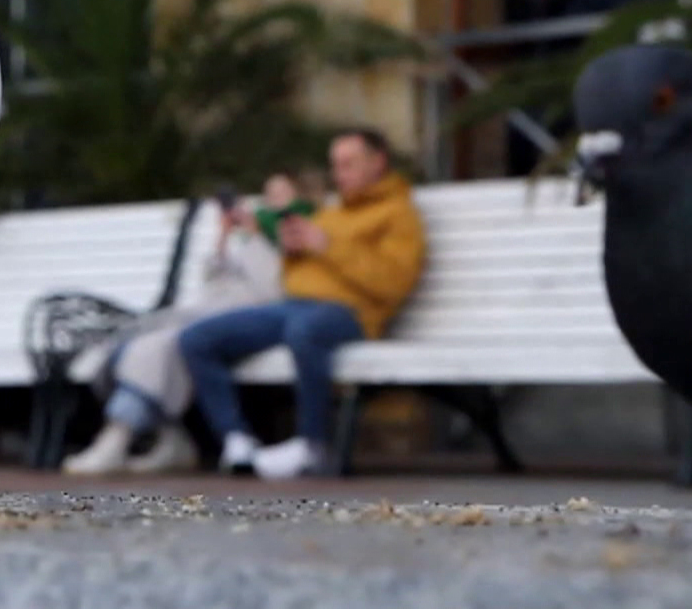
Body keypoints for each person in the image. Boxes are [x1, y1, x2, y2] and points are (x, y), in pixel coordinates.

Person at [177, 128, 427, 480]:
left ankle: (313, 445)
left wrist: (327, 246)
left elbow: (392, 283)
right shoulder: (333, 212)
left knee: (304, 330)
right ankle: (237, 440)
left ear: (378, 162)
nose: (340, 173)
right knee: (196, 338)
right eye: (335, 165)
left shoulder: (399, 213)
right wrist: (291, 248)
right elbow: (297, 275)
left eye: (349, 163)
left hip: (352, 314)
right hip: (294, 305)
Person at [60, 171, 320, 476]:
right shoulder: (260, 234)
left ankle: (117, 438)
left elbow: (273, 292)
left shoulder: (301, 233)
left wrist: (252, 237)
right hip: (211, 315)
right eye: (268, 195)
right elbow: (213, 282)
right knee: (133, 343)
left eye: (281, 195)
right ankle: (171, 438)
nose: (272, 203)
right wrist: (224, 236)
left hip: (251, 323)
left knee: (158, 348)